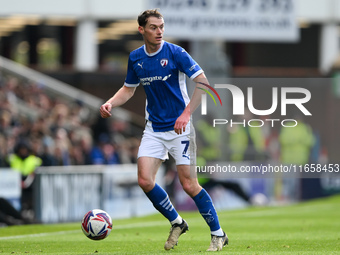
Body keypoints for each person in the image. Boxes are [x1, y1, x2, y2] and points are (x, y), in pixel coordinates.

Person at [100, 9, 228, 252]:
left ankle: (218, 234)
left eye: (161, 27)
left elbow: (203, 83)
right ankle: (177, 222)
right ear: (142, 30)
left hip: (180, 129)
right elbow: (129, 89)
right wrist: (110, 103)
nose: (159, 31)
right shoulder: (136, 58)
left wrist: (187, 112)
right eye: (153, 27)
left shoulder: (175, 52)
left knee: (189, 185)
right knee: (144, 180)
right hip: (154, 129)